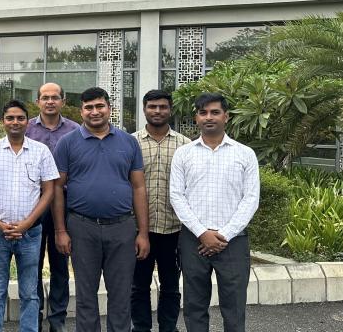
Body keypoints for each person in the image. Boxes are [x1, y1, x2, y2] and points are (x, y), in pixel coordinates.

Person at [52, 87, 150, 332]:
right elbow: (57, 188)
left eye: (99, 106)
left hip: (122, 227)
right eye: (89, 107)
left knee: (121, 294)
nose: (94, 112)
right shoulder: (67, 143)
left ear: (109, 108)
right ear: (81, 110)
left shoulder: (129, 142)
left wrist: (143, 233)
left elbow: (138, 187)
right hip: (81, 227)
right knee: (85, 295)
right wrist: (60, 230)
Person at [170, 92, 259, 332]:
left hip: (233, 242)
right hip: (193, 241)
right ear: (196, 118)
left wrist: (224, 235)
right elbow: (176, 196)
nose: (209, 117)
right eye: (203, 112)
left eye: (215, 112)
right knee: (194, 305)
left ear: (226, 116)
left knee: (234, 306)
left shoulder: (244, 154)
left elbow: (251, 198)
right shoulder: (184, 154)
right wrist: (202, 233)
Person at [0, 99, 58, 332]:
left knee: (30, 292)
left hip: (30, 234)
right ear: (3, 121)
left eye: (20, 118)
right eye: (10, 118)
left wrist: (28, 223)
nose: (15, 122)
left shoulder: (41, 151)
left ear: (27, 122)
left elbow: (49, 189)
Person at [130, 90, 190, 332]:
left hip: (173, 227)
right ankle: (141, 327)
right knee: (138, 285)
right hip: (137, 228)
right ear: (144, 109)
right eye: (152, 106)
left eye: (162, 107)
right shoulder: (130, 142)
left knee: (171, 285)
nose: (157, 111)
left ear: (170, 109)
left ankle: (168, 327)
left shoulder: (185, 145)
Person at [24, 82, 79, 332]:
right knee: (31, 264)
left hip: (64, 205)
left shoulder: (75, 131)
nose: (50, 102)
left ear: (63, 101)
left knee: (60, 265)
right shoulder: (25, 129)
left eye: (55, 97)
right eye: (45, 97)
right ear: (38, 102)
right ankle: (33, 318)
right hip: (33, 205)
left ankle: (57, 321)